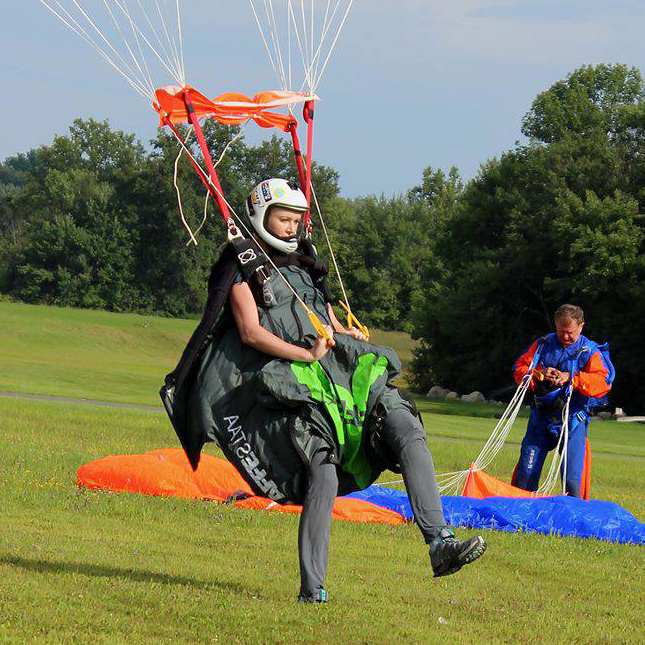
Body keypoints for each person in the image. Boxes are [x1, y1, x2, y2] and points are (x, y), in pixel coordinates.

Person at [161, 178, 486, 603]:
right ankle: (312, 589)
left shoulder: (306, 262)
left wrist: (341, 332)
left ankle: (440, 542)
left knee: (406, 426)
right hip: (292, 380)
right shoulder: (240, 264)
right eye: (284, 219)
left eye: (297, 220)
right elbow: (250, 331)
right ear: (261, 216)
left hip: (339, 368)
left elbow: (324, 320)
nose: (292, 228)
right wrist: (306, 356)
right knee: (322, 471)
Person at [512, 304, 614, 498]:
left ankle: (574, 521)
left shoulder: (590, 351)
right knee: (526, 470)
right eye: (560, 332)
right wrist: (539, 374)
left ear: (581, 326)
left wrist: (572, 378)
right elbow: (519, 368)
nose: (565, 337)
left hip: (573, 420)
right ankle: (519, 514)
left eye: (570, 333)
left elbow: (603, 381)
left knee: (572, 478)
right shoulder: (543, 344)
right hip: (541, 417)